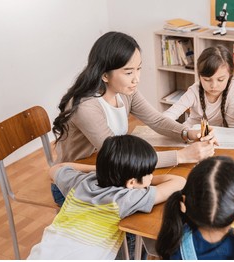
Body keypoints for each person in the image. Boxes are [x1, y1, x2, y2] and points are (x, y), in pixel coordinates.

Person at [51, 31, 215, 205]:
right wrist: (181, 156)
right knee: (162, 202)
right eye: (128, 72)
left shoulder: (126, 91)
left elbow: (156, 120)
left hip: (112, 174)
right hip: (79, 183)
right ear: (104, 75)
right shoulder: (86, 106)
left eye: (139, 69)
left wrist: (188, 133)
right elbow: (118, 156)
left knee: (173, 191)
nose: (136, 79)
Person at [28, 134, 186, 259]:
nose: (151, 176)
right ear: (131, 182)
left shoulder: (79, 182)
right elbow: (178, 181)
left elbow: (57, 167)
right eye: (149, 173)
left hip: (42, 254)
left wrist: (99, 171)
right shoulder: (125, 198)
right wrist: (144, 184)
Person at [163, 45, 234, 128]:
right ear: (199, 76)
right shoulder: (194, 91)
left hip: (220, 136)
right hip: (192, 133)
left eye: (220, 80)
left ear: (230, 75)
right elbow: (168, 116)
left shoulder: (233, 88)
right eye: (207, 79)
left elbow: (231, 125)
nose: (213, 85)